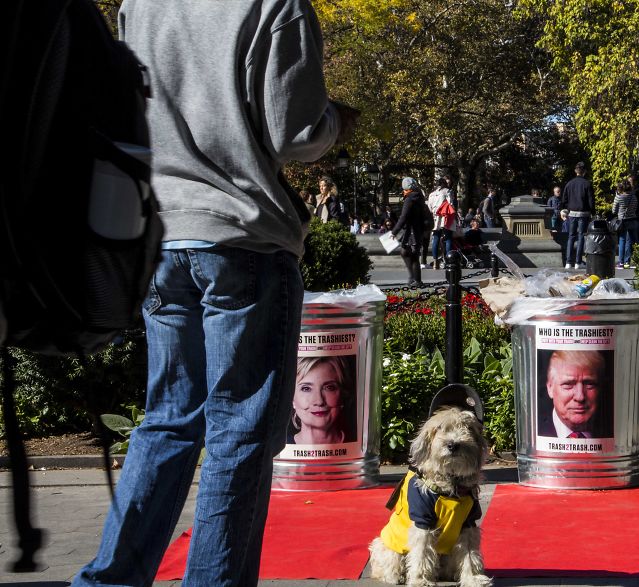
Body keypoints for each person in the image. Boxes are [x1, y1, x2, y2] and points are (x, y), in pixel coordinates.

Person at [73, 0, 357, 585]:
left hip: (161, 232)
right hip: (240, 235)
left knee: (168, 421)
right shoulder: (277, 6)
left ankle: (109, 579)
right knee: (239, 433)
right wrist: (336, 121)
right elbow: (295, 133)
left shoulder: (141, 4)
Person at [538, 350, 611, 439]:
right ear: (550, 388)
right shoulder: (533, 433)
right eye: (568, 384)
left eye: (589, 384)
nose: (580, 397)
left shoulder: (614, 431)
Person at [288, 356, 354, 445]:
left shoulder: (360, 445)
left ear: (343, 394)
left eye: (329, 387)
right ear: (292, 398)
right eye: (306, 388)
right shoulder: (278, 449)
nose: (319, 401)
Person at [391, 177, 427, 287]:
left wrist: (394, 231)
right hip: (416, 230)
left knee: (413, 255)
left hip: (412, 231)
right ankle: (413, 277)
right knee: (405, 252)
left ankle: (417, 280)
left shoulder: (409, 199)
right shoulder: (418, 197)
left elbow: (403, 217)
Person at [560, 161, 596, 269]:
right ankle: (578, 261)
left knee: (571, 237)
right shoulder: (587, 184)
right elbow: (591, 200)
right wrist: (592, 212)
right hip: (583, 213)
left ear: (575, 171)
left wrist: (568, 208)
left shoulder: (569, 184)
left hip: (572, 213)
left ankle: (568, 262)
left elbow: (564, 199)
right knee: (581, 237)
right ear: (584, 171)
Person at [428, 177, 455, 269]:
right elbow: (451, 203)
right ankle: (448, 261)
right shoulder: (448, 191)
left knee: (436, 238)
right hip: (446, 217)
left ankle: (435, 262)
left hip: (435, 218)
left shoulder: (432, 194)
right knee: (448, 239)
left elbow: (429, 207)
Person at [612, 180, 639, 269]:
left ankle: (621, 262)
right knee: (629, 241)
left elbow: (614, 210)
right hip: (632, 220)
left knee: (622, 240)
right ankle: (627, 262)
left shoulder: (619, 197)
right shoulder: (634, 197)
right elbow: (635, 208)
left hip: (622, 221)